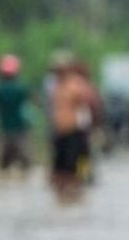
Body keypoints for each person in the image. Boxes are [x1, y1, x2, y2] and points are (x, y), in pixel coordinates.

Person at [50, 59, 102, 198]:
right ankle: (65, 188)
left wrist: (94, 123)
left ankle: (81, 182)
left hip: (76, 129)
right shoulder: (56, 86)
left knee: (78, 158)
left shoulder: (77, 85)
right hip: (61, 130)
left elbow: (92, 103)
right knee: (62, 162)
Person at [0, 54, 33, 173]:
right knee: (25, 163)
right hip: (20, 129)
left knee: (3, 163)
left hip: (5, 129)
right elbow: (31, 104)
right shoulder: (21, 88)